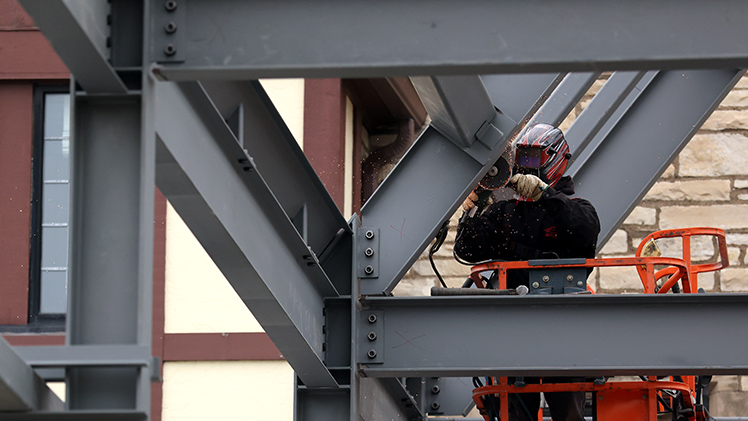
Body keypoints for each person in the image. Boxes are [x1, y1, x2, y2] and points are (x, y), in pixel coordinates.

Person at [454, 123, 600, 421]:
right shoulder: (505, 212)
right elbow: (467, 251)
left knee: (568, 412)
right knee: (516, 413)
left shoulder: (574, 209)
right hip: (514, 329)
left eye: (533, 159)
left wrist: (547, 196)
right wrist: (473, 206)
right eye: (523, 159)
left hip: (564, 327)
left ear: (556, 159)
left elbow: (585, 231)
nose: (526, 167)